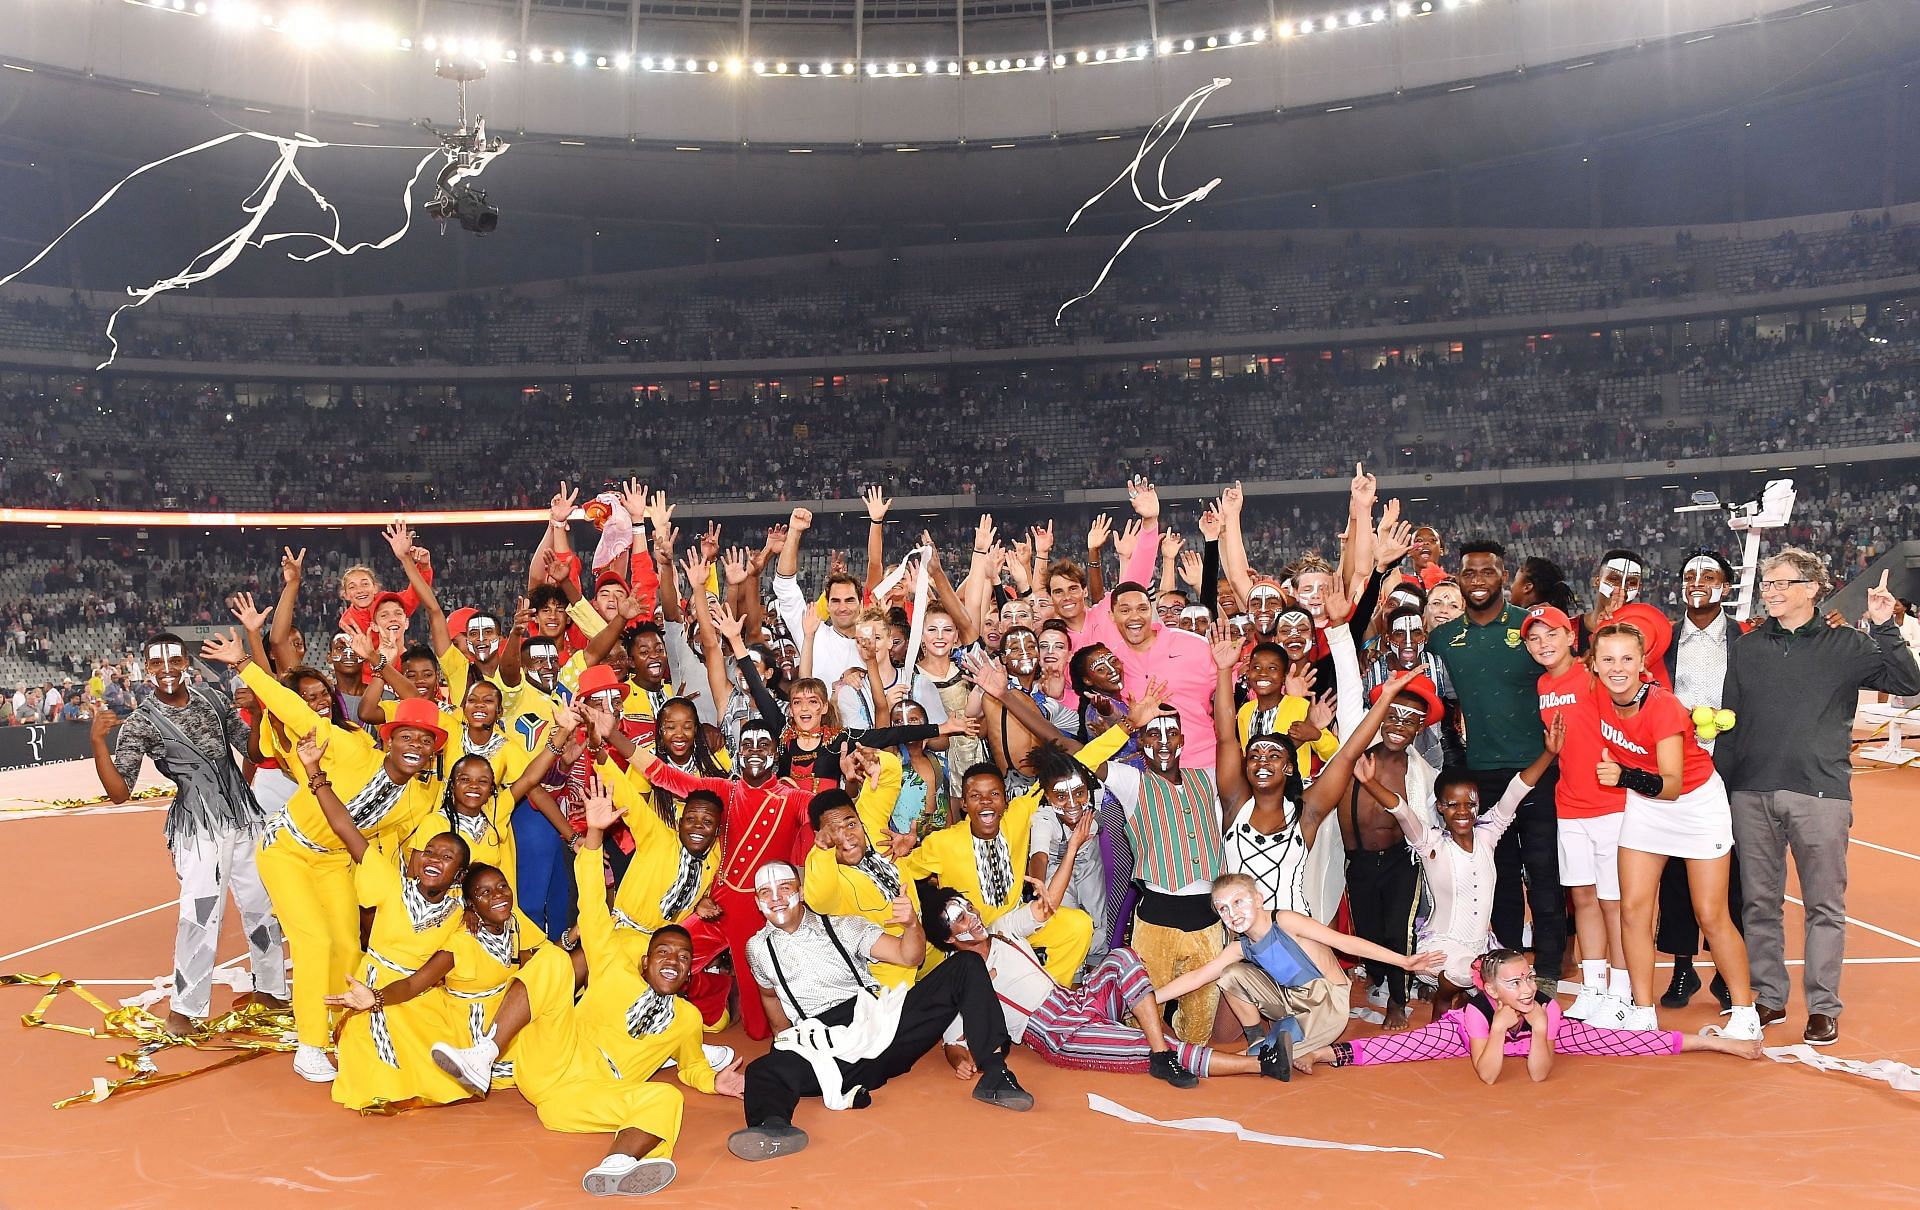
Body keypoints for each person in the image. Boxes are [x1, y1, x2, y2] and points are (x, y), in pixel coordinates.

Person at [430, 781, 744, 1198]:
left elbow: (691, 1068)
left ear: (689, 973)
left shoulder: (687, 1019)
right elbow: (593, 903)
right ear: (646, 961)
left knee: (667, 1098)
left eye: (684, 958)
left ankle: (618, 1165)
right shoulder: (614, 965)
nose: (674, 961)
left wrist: (713, 1082)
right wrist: (594, 834)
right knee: (556, 961)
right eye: (665, 953)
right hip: (555, 1060)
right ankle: (483, 1055)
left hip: (578, 1101)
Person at [1715, 555, 1920, 1046]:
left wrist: (1884, 624)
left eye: (1784, 583)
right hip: (1750, 792)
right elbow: (1730, 720)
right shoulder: (1746, 649)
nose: (1772, 590)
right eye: (1768, 582)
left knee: (1823, 905)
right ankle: (1768, 997)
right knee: (1759, 903)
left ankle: (1823, 1007)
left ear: (1813, 589)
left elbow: (1909, 684)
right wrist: (1721, 788)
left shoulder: (1847, 645)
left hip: (1821, 794)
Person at [728, 862, 1032, 1162]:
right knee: (762, 1071)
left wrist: (913, 925)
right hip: (827, 1052)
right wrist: (784, 1042)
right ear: (757, 901)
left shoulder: (844, 926)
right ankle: (773, 1130)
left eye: (784, 888)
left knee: (966, 965)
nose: (776, 898)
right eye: (766, 892)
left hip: (881, 1030)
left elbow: (907, 955)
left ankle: (994, 1074)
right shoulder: (757, 949)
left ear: (801, 892)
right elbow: (769, 995)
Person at [88, 632, 288, 1038]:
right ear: (146, 669)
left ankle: (271, 989)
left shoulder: (214, 699)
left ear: (186, 665)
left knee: (262, 905)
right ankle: (185, 1009)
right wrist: (96, 742)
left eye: (174, 662)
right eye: (157, 664)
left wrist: (259, 714)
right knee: (200, 913)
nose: (166, 671)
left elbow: (253, 753)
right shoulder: (141, 723)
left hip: (244, 817)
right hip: (198, 828)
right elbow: (119, 793)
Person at [920, 883, 1293, 1086]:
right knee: (1149, 1045)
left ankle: (1159, 1053)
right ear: (949, 939)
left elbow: (1041, 908)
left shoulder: (1002, 931)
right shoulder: (960, 976)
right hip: (1057, 1031)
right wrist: (959, 1061)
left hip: (1078, 999)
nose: (970, 918)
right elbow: (953, 1039)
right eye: (958, 919)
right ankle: (1260, 1065)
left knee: (1121, 957)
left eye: (966, 907)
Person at [1585, 623, 1761, 1040]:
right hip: (1646, 808)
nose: (1617, 668)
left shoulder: (1662, 706)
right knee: (1633, 910)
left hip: (1695, 805)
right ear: (1593, 664)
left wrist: (1624, 775)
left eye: (1627, 658)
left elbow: (1672, 784)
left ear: (1642, 662)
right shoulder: (1599, 695)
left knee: (1711, 914)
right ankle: (1643, 1011)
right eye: (1607, 659)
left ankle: (1744, 1011)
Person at [295, 729, 476, 1113]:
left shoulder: (461, 912)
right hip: (371, 987)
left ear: (459, 877)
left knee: (438, 1060)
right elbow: (346, 828)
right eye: (430, 851)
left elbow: (421, 980)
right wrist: (314, 774)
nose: (433, 859)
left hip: (415, 994)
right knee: (370, 1070)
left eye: (446, 859)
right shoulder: (391, 883)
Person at [1429, 539, 1567, 993]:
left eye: (1488, 572)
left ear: (1504, 578)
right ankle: (1507, 963)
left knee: (1544, 868)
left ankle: (1547, 965)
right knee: (1500, 874)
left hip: (1538, 767)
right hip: (1482, 772)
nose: (1479, 581)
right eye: (1470, 573)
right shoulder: (1444, 638)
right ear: (1459, 578)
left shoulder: (1528, 629)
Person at [1298, 948, 1762, 1079]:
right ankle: (1324, 1055)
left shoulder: (1544, 1009)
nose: (1527, 988)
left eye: (1529, 980)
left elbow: (1539, 1074)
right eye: (1515, 983)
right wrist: (1499, 1030)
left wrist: (1540, 1030)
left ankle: (1717, 1042)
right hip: (1473, 1037)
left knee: (1622, 1040)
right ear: (1491, 988)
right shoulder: (1476, 1013)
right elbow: (1487, 1075)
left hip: (1544, 1035)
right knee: (1400, 1047)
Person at [1156, 873, 1444, 1075]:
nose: (1232, 913)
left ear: (1258, 898)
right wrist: (1149, 999)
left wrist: (1404, 961)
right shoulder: (1240, 946)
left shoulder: (1285, 920)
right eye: (1223, 909)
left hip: (1326, 1005)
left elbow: (1344, 942)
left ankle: (1273, 1052)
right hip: (1291, 1003)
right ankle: (1259, 1040)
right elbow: (1197, 977)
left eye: (1238, 902)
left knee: (1254, 1059)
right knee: (1229, 974)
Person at [1521, 604, 1630, 1021]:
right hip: (1570, 807)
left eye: (1552, 634)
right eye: (1534, 637)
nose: (1543, 643)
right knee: (1583, 898)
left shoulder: (1594, 677)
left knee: (1613, 902)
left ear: (1571, 636)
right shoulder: (1543, 687)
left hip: (1612, 805)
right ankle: (1593, 988)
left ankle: (1621, 990)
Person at [1659, 550, 1747, 1011]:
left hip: (1730, 769)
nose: (1698, 582)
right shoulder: (1664, 642)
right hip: (1677, 770)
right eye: (1690, 574)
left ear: (1726, 588)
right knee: (1674, 872)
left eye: (1709, 576)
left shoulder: (1747, 640)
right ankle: (1681, 969)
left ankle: (1727, 975)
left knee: (1730, 874)